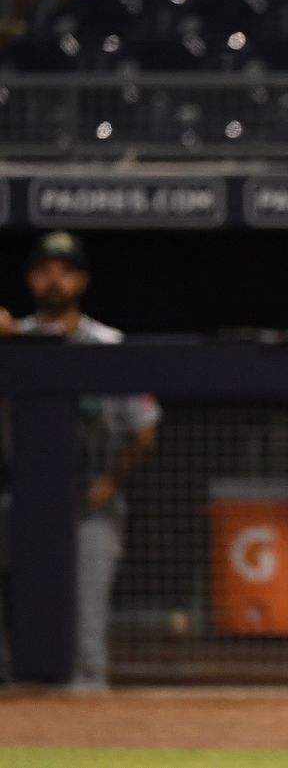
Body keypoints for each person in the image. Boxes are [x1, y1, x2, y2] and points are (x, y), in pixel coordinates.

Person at [0, 231, 161, 689]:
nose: (54, 280)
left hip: (90, 496)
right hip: (24, 496)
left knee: (87, 634)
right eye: (45, 270)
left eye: (65, 271)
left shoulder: (109, 344)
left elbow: (144, 429)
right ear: (31, 279)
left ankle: (88, 715)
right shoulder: (13, 340)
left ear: (81, 281)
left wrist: (112, 479)